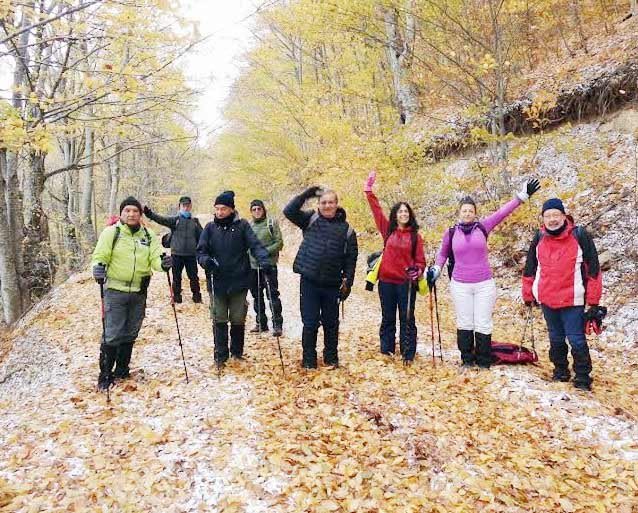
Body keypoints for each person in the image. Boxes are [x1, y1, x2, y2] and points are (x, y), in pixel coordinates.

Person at [428, 179, 541, 369]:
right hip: (460, 285)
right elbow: (442, 254)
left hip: (484, 284)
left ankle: (483, 361)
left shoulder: (483, 226)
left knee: (483, 322)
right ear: (459, 213)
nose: (467, 213)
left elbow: (502, 213)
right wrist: (436, 269)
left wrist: (522, 196)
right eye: (464, 211)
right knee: (465, 322)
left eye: (470, 211)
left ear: (475, 213)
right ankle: (467, 360)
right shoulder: (451, 232)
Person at [522, 198, 603, 391]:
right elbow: (530, 268)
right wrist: (528, 294)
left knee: (576, 339)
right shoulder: (539, 238)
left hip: (572, 299)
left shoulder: (579, 235)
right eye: (548, 216)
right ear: (543, 219)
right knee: (555, 337)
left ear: (564, 216)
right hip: (547, 298)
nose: (552, 219)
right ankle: (560, 371)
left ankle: (582, 377)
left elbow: (593, 270)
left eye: (555, 215)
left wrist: (593, 302)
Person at [92, 196, 172, 391]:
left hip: (139, 291)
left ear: (140, 214)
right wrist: (98, 268)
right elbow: (100, 256)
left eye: (135, 211)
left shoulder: (148, 235)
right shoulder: (112, 233)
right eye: (127, 210)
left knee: (131, 331)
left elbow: (155, 258)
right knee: (113, 333)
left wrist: (163, 264)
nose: (131, 214)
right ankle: (105, 375)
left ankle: (122, 370)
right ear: (121, 213)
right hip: (115, 291)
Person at [283, 186, 358, 369]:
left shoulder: (347, 230)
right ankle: (309, 360)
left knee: (331, 323)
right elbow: (289, 211)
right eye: (323, 202)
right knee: (310, 323)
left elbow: (351, 260)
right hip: (309, 282)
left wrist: (348, 283)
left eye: (330, 202)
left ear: (336, 204)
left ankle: (331, 358)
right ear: (318, 204)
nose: (327, 206)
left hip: (332, 284)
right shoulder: (310, 219)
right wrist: (307, 194)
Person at [196, 190, 271, 365]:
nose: (219, 212)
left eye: (223, 208)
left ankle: (237, 353)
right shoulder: (209, 228)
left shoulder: (242, 226)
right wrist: (206, 261)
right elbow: (200, 251)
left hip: (239, 280)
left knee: (238, 318)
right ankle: (220, 355)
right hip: (217, 280)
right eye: (217, 209)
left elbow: (255, 245)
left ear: (231, 209)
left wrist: (264, 261)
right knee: (219, 317)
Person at [364, 171, 426, 362]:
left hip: (406, 283)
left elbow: (421, 261)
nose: (403, 214)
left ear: (410, 215)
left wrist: (418, 270)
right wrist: (368, 191)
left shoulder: (415, 236)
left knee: (407, 318)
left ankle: (408, 352)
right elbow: (377, 211)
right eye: (400, 211)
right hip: (386, 282)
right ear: (395, 215)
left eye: (406, 212)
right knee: (388, 317)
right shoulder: (388, 230)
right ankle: (387, 350)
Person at [143, 196, 203, 304]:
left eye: (188, 206)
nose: (186, 208)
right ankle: (176, 297)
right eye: (183, 206)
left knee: (194, 277)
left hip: (191, 255)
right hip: (176, 254)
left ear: (191, 207)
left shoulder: (195, 222)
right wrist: (149, 214)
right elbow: (161, 219)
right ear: (179, 207)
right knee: (176, 277)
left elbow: (203, 237)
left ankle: (197, 297)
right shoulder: (175, 220)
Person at [248, 199, 285, 336]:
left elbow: (279, 243)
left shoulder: (271, 223)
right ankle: (261, 323)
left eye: (259, 208)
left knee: (272, 295)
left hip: (269, 265)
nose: (257, 211)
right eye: (254, 209)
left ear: (263, 209)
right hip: (253, 267)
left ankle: (277, 324)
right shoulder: (249, 226)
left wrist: (265, 252)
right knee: (257, 296)